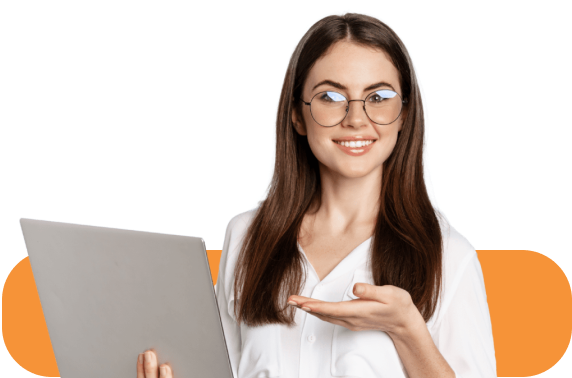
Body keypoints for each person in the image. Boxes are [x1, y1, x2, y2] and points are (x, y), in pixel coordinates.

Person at [136, 10, 497, 378]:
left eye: (379, 96)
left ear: (404, 114)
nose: (356, 119)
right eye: (330, 96)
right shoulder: (246, 236)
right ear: (297, 114)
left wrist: (406, 329)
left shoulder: (449, 257)